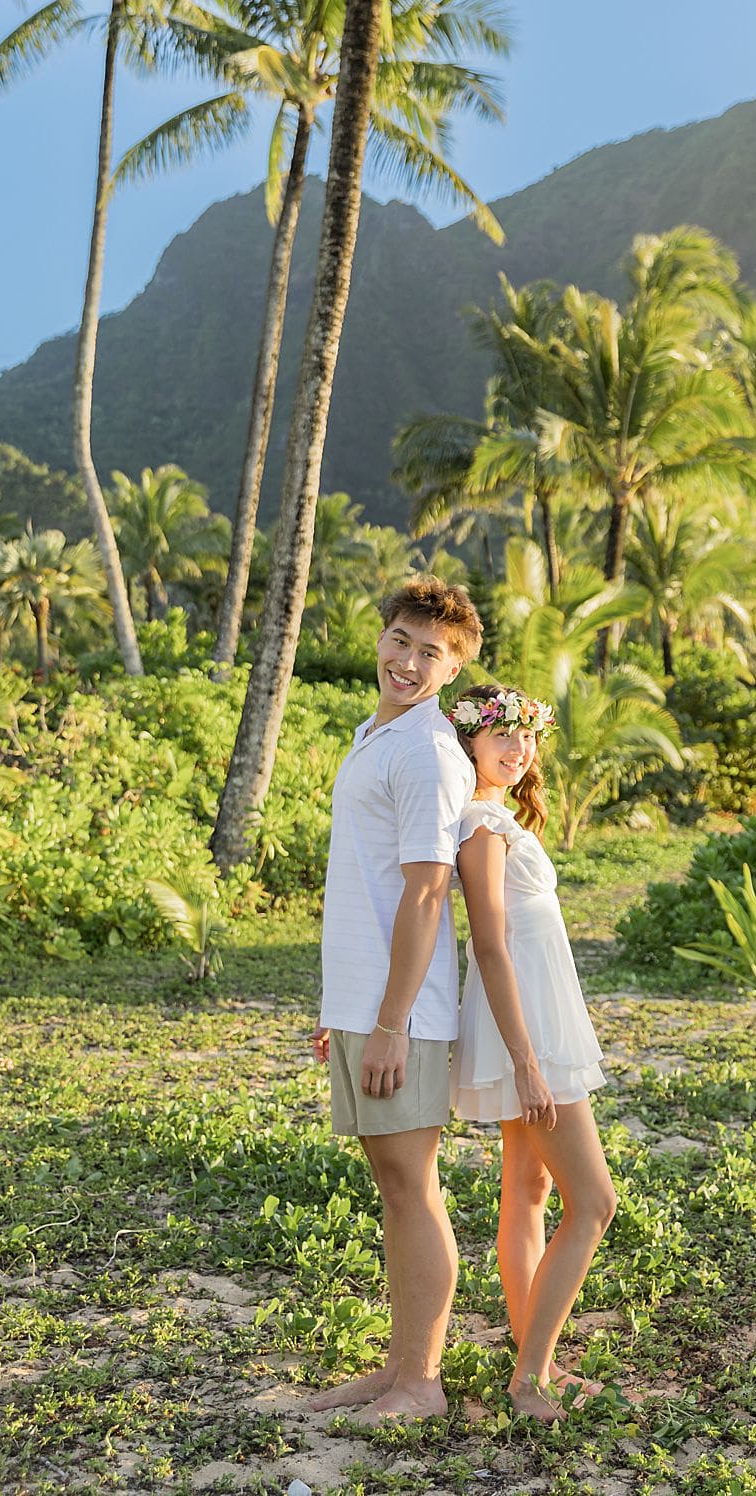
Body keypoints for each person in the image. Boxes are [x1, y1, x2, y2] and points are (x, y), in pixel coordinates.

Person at [310, 577, 483, 1423]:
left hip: (402, 1018)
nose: (409, 662)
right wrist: (342, 1013)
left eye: (431, 653)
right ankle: (398, 1366)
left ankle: (421, 1380)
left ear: (453, 670)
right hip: (367, 1009)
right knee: (394, 1186)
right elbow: (365, 889)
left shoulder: (425, 750)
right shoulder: (375, 734)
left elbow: (425, 894)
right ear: (380, 637)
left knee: (413, 1187)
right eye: (402, 642)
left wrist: (386, 1025)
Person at [449, 684, 617, 1421]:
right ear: (472, 743)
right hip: (531, 1036)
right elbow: (489, 945)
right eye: (502, 737)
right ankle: (528, 1383)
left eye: (526, 738)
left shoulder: (502, 819)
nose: (518, 750)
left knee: (529, 1193)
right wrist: (525, 1059)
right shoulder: (482, 829)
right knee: (595, 1204)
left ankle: (534, 1361)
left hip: (540, 1025)